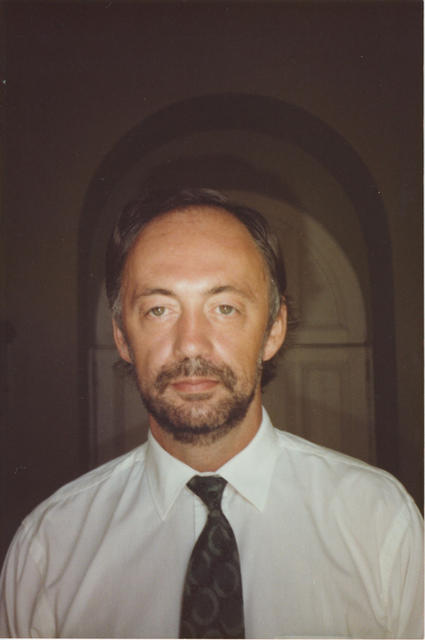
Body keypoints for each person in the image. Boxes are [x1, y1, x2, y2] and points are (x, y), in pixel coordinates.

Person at [0, 188, 423, 638]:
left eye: (224, 308)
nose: (190, 344)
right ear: (122, 337)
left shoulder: (381, 525)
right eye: (159, 310)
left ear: (274, 329)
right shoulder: (50, 549)